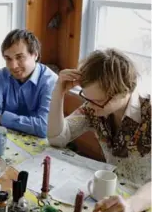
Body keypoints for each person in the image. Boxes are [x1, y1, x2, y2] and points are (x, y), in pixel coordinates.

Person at [47, 48, 151, 212]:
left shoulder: (149, 113)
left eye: (99, 101)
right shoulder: (94, 107)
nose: (90, 106)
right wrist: (59, 92)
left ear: (125, 91)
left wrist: (131, 205)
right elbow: (57, 138)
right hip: (111, 196)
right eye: (87, 98)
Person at [0, 29, 58, 151]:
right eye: (8, 59)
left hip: (40, 149)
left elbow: (45, 127)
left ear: (35, 55)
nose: (13, 66)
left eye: (19, 57)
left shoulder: (51, 81)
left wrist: (2, 118)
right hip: (6, 145)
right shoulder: (1, 76)